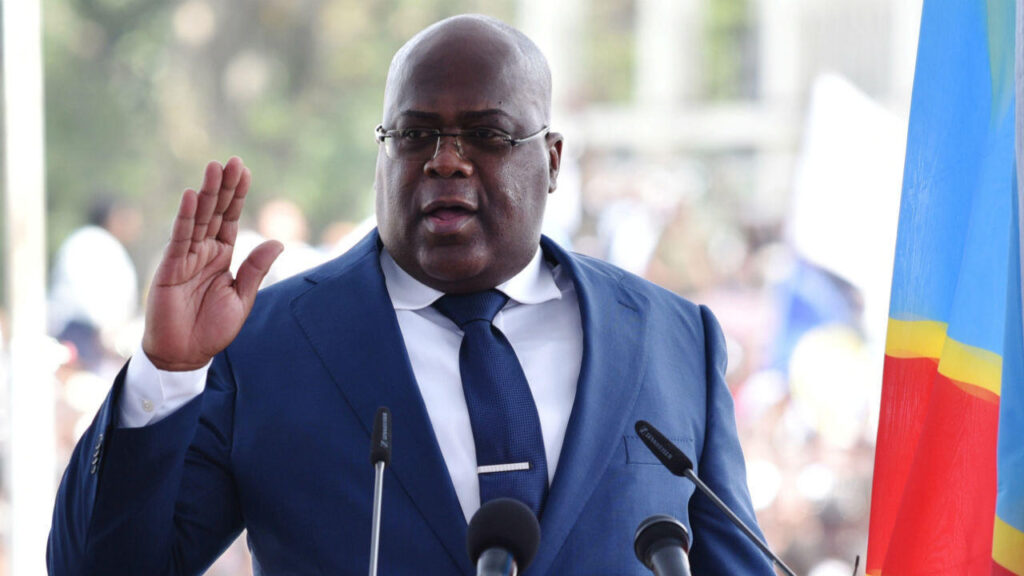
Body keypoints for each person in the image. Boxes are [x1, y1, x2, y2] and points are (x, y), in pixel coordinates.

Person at [48, 14, 774, 575]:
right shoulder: (264, 346)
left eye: (486, 135)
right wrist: (166, 373)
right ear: (383, 152)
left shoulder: (671, 340)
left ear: (552, 160)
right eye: (416, 133)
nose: (445, 161)